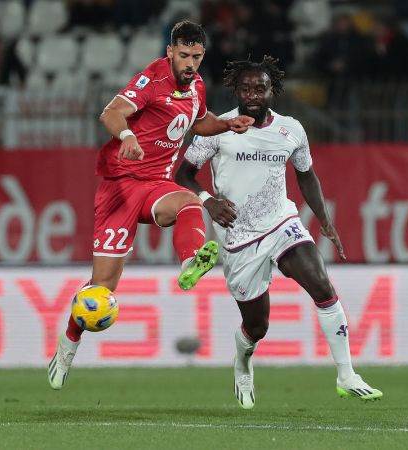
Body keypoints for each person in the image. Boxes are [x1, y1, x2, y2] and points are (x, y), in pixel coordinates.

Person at [47, 21, 254, 390]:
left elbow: (200, 122)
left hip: (156, 185)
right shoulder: (151, 80)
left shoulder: (197, 87)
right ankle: (67, 346)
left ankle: (191, 262)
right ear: (171, 52)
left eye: (197, 56)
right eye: (184, 55)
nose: (190, 63)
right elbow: (111, 113)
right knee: (101, 290)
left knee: (191, 202)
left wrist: (227, 124)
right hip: (120, 188)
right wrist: (126, 135)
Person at [175, 56, 383, 408]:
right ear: (235, 91)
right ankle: (242, 360)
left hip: (281, 224)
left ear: (273, 91)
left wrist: (326, 222)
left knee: (321, 284)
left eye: (260, 88)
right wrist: (208, 201)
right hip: (238, 238)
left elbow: (306, 176)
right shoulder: (217, 129)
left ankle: (347, 375)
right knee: (257, 326)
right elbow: (182, 175)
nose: (253, 94)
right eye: (245, 88)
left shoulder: (292, 129)